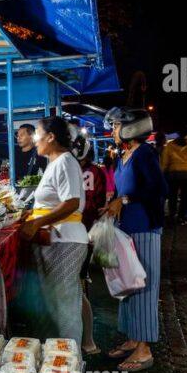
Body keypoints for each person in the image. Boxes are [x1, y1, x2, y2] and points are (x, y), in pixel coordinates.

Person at [101, 107, 167, 372]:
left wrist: (124, 200)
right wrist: (112, 205)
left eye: (117, 126)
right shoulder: (123, 155)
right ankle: (133, 337)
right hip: (126, 229)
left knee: (144, 287)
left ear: (132, 128)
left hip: (144, 228)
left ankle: (145, 349)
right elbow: (121, 190)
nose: (113, 131)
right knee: (128, 284)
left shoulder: (145, 155)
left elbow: (159, 189)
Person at [17, 116, 88, 345]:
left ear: (51, 136)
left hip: (65, 240)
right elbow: (53, 201)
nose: (35, 139)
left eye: (37, 133)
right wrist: (33, 214)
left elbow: (71, 203)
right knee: (53, 303)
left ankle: (71, 363)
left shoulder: (66, 161)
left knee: (63, 305)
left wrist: (37, 222)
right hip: (55, 241)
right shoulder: (54, 162)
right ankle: (54, 359)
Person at [76, 136, 106, 354]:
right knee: (80, 284)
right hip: (84, 231)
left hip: (81, 232)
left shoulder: (78, 171)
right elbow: (101, 199)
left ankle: (88, 341)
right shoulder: (96, 171)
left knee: (79, 287)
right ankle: (86, 340)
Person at [160, 130, 187, 224]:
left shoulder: (170, 145)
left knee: (173, 196)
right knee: (185, 197)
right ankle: (182, 217)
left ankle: (172, 216)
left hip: (173, 174)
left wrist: (162, 172)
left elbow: (164, 162)